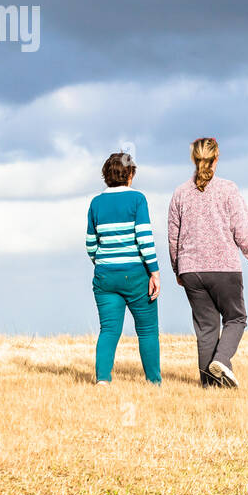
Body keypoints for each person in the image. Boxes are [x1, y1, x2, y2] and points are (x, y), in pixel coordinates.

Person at [167, 137, 248, 388]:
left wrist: (178, 268)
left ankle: (210, 386)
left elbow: (173, 236)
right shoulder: (228, 189)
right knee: (236, 318)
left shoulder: (179, 193)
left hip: (191, 270)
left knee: (206, 328)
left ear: (193, 159)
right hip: (224, 267)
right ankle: (222, 360)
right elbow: (242, 228)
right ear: (216, 158)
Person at [85, 152, 161, 385]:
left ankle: (103, 381)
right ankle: (153, 382)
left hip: (105, 276)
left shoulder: (96, 203)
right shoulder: (138, 199)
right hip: (136, 274)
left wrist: (103, 263)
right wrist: (154, 272)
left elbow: (90, 244)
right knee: (147, 330)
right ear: (130, 175)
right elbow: (144, 238)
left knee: (108, 330)